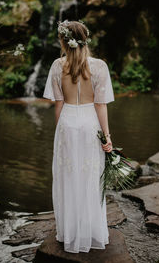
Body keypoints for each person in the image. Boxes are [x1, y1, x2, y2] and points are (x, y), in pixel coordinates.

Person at [43, 19, 115, 253]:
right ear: (86, 38)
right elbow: (101, 105)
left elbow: (59, 104)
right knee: (91, 177)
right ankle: (92, 230)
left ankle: (69, 232)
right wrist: (107, 137)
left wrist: (60, 131)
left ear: (64, 40)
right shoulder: (100, 66)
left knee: (67, 177)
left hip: (67, 123)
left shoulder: (57, 66)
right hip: (90, 123)